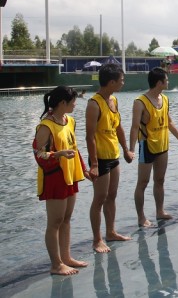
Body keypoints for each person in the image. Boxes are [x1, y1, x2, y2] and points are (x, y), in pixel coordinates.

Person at [33, 86, 89, 275]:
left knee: (66, 219)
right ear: (63, 102)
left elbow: (75, 148)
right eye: (73, 101)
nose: (75, 104)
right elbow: (38, 154)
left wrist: (84, 169)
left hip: (70, 175)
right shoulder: (45, 126)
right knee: (55, 222)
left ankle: (66, 257)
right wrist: (58, 154)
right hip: (54, 176)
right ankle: (56, 264)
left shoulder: (69, 121)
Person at [129, 67, 178, 227]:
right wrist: (131, 149)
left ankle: (160, 211)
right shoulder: (140, 102)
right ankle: (141, 217)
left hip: (163, 146)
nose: (168, 82)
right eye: (166, 80)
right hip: (147, 146)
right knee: (143, 182)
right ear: (159, 82)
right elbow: (134, 127)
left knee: (160, 180)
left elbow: (169, 122)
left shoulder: (165, 99)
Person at [86, 63, 134, 253]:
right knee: (99, 198)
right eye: (121, 80)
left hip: (114, 155)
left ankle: (111, 232)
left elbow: (118, 127)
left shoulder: (113, 100)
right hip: (100, 158)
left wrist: (126, 149)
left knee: (112, 195)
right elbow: (89, 136)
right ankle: (97, 240)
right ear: (111, 82)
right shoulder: (94, 104)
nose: (123, 83)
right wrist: (94, 164)